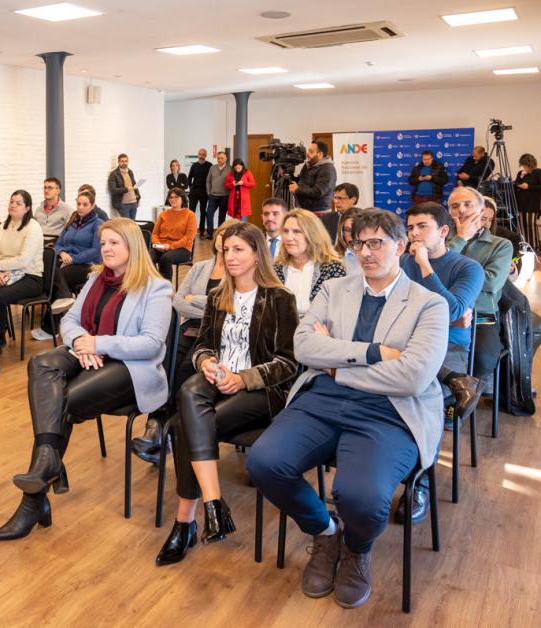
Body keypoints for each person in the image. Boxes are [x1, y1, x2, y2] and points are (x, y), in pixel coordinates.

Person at [247, 209, 449, 609]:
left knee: (361, 496)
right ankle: (325, 533)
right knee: (264, 462)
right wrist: (373, 354)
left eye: (377, 243)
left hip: (391, 411)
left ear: (401, 246)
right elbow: (304, 348)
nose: (366, 252)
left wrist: (338, 368)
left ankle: (356, 548)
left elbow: (411, 377)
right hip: (322, 400)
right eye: (358, 243)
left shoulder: (430, 305)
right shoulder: (335, 289)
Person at [0, 218, 172, 541]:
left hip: (131, 368)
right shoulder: (95, 279)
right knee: (42, 363)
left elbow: (152, 344)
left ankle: (33, 502)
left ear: (133, 247)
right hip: (89, 355)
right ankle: (48, 465)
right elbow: (70, 320)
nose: (106, 249)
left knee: (63, 399)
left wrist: (98, 343)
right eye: (103, 243)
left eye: (114, 243)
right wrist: (79, 343)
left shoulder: (155, 287)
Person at [156, 222, 299, 565]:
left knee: (182, 426)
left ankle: (185, 522)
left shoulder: (280, 298)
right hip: (219, 379)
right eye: (226, 249)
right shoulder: (220, 295)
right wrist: (206, 362)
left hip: (260, 390)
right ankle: (213, 503)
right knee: (189, 389)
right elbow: (202, 344)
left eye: (239, 250)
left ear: (257, 254)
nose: (229, 256)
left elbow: (289, 362)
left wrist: (244, 378)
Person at [399, 201, 485, 524]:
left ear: (444, 231)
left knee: (424, 394)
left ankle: (418, 484)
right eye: (410, 228)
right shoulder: (402, 263)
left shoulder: (467, 268)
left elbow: (451, 311)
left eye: (422, 226)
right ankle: (456, 381)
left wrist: (425, 268)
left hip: (449, 347)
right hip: (406, 343)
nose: (414, 234)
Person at [132, 220, 237, 462]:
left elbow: (227, 308)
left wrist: (197, 300)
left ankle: (164, 432)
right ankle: (157, 427)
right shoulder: (200, 267)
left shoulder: (236, 270)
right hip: (190, 328)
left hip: (217, 334)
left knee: (185, 369)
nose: (224, 241)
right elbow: (178, 301)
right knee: (164, 363)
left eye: (230, 237)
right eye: (221, 235)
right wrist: (208, 302)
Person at [446, 187, 514, 383]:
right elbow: (436, 273)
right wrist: (460, 240)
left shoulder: (501, 245)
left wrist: (453, 274)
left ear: (482, 209)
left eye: (468, 204)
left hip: (482, 315)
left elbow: (492, 282)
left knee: (482, 358)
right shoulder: (441, 240)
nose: (462, 210)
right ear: (449, 212)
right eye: (455, 206)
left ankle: (462, 395)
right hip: (445, 312)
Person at [32, 190, 105, 342]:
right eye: (78, 204)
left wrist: (73, 259)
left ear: (93, 206)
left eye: (85, 204)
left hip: (88, 265)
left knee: (56, 276)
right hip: (66, 261)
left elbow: (95, 251)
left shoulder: (98, 224)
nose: (80, 207)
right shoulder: (72, 221)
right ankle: (63, 298)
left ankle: (50, 326)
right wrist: (62, 253)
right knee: (49, 269)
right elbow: (58, 244)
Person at [0, 190, 45, 360]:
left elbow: (24, 260)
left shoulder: (33, 227)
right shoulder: (2, 227)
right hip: (4, 273)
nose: (13, 205)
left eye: (18, 203)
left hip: (31, 277)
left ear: (27, 208)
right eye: (11, 201)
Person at [274, 209, 347, 317]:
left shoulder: (332, 268)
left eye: (296, 231)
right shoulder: (276, 268)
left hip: (315, 330)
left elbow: (338, 312)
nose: (289, 238)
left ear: (312, 235)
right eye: (285, 231)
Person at [150, 188, 198, 281]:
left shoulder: (190, 215)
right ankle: (155, 283)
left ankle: (166, 288)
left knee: (166, 258)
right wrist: (158, 244)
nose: (173, 199)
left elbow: (189, 238)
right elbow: (155, 233)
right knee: (147, 256)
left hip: (182, 249)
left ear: (182, 198)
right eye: (170, 197)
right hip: (162, 246)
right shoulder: (163, 214)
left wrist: (170, 246)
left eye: (176, 197)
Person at [289, 142, 336, 213]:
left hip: (319, 212)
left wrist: (298, 189)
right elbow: (300, 181)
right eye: (308, 151)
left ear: (320, 154)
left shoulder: (328, 169)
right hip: (305, 210)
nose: (307, 154)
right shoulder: (308, 165)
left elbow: (318, 192)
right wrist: (289, 176)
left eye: (311, 152)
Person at [514, 153, 541, 250]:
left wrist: (528, 186)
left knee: (531, 225)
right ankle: (524, 246)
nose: (523, 167)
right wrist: (520, 178)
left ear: (530, 164)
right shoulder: (521, 173)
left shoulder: (538, 172)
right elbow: (515, 184)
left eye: (525, 165)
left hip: (532, 204)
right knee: (522, 225)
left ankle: (534, 246)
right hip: (521, 203)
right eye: (522, 165)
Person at [33, 177, 73, 241]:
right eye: (45, 187)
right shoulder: (38, 210)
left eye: (50, 188)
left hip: (55, 245)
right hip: (38, 242)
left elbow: (70, 232)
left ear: (58, 190)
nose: (46, 190)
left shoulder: (67, 210)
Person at [187, 149, 213, 238]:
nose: (201, 156)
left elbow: (211, 179)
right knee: (191, 212)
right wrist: (191, 188)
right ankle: (191, 231)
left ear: (206, 155)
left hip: (204, 192)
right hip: (194, 192)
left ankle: (202, 231)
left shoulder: (209, 165)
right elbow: (189, 178)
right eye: (200, 154)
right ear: (198, 155)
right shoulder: (194, 165)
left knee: (203, 212)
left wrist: (209, 190)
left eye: (203, 154)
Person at [108, 153, 141, 219]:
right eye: (122, 161)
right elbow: (113, 190)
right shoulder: (114, 174)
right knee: (127, 225)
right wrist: (126, 189)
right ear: (119, 162)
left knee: (132, 224)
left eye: (126, 161)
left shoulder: (130, 172)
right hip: (123, 204)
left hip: (133, 202)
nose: (124, 163)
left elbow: (134, 186)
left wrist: (138, 198)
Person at [335, 207, 366, 276]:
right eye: (348, 230)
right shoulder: (333, 256)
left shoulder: (372, 254)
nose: (353, 235)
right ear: (342, 232)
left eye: (357, 230)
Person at [205, 151, 230, 235]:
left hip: (225, 196)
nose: (219, 160)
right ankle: (209, 234)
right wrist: (208, 192)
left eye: (222, 158)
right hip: (213, 196)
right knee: (209, 214)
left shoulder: (230, 169)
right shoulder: (212, 168)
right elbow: (208, 181)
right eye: (218, 158)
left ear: (226, 159)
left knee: (221, 217)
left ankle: (219, 234)